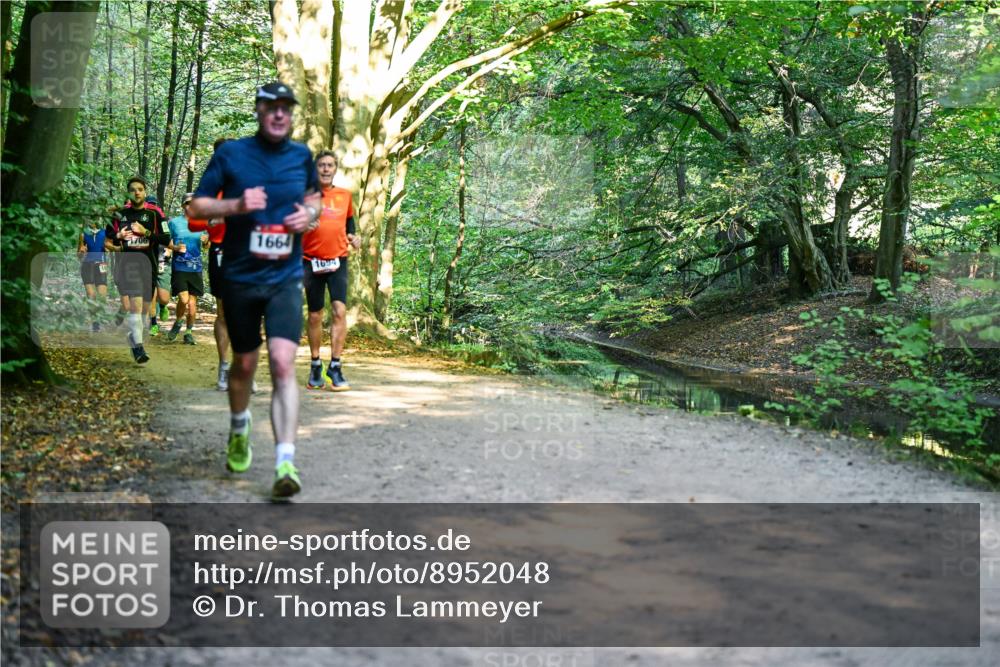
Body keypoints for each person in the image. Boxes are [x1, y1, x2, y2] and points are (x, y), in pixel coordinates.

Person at [188, 81, 320, 500]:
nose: (279, 114)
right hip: (242, 278)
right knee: (244, 365)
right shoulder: (231, 154)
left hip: (284, 279)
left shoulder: (302, 156)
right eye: (271, 107)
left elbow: (315, 199)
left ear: (292, 114)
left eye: (286, 107)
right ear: (259, 112)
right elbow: (196, 206)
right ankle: (240, 427)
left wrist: (309, 216)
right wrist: (236, 206)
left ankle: (285, 460)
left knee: (283, 363)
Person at [303, 150, 360, 391]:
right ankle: (316, 364)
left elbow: (350, 225)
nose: (326, 169)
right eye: (321, 165)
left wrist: (354, 238)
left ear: (335, 169)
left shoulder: (344, 195)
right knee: (315, 315)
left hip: (338, 261)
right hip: (310, 260)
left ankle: (335, 366)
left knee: (339, 311)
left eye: (330, 165)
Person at [104, 176, 169, 363]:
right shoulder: (119, 214)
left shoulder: (155, 214)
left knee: (145, 310)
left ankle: (133, 337)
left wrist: (145, 232)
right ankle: (139, 348)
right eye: (133, 189)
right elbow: (108, 238)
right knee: (136, 305)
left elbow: (165, 239)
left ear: (145, 192)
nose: (137, 192)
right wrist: (118, 235)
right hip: (127, 264)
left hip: (148, 265)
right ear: (128, 193)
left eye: (140, 189)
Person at [166, 193, 208, 344]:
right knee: (183, 300)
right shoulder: (174, 223)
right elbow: (167, 241)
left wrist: (206, 241)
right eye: (188, 203)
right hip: (179, 266)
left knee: (192, 304)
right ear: (183, 205)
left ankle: (189, 332)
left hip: (195, 268)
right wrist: (174, 248)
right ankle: (178, 323)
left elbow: (206, 245)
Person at [77, 220, 108, 332]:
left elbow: (110, 247)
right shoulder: (83, 234)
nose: (94, 220)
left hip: (101, 265)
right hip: (87, 265)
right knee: (91, 295)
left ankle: (98, 317)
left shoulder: (105, 233)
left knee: (102, 297)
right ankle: (95, 322)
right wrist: (81, 252)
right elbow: (79, 255)